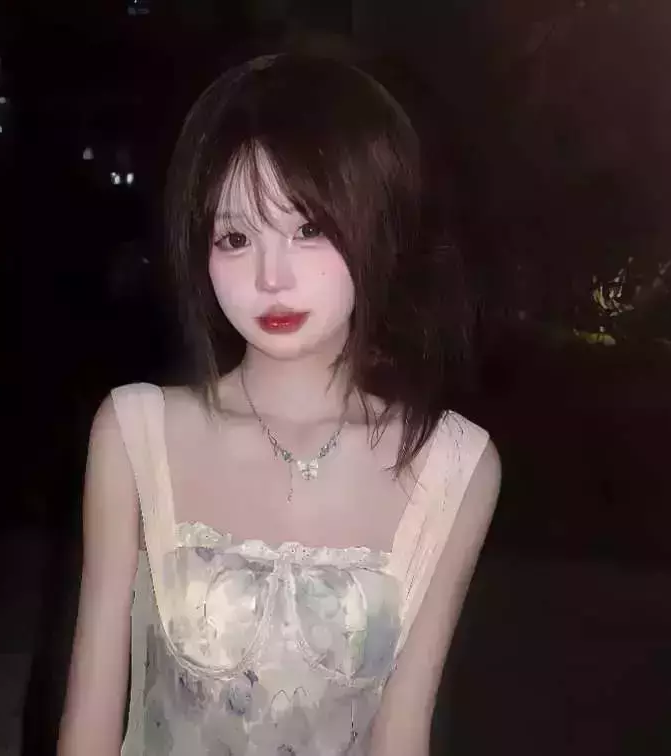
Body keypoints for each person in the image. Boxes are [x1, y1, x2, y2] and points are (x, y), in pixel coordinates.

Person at [57, 53, 501, 756]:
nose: (271, 276)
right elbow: (89, 722)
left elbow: (402, 730)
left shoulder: (452, 462)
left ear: (378, 226)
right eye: (235, 238)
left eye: (308, 229)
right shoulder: (136, 432)